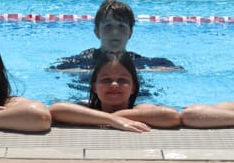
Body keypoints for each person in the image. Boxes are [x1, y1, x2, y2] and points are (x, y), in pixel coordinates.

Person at [50, 52, 181, 132]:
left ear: (133, 88)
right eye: (106, 80)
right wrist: (111, 119)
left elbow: (172, 116)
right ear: (94, 87)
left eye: (122, 80)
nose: (114, 85)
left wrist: (117, 116)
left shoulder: (139, 109)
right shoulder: (87, 106)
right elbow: (56, 110)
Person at [48, 0, 182, 72]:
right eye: (108, 26)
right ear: (96, 32)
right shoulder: (78, 62)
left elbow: (177, 70)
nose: (115, 32)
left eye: (121, 26)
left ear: (130, 33)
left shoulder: (141, 62)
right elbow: (51, 71)